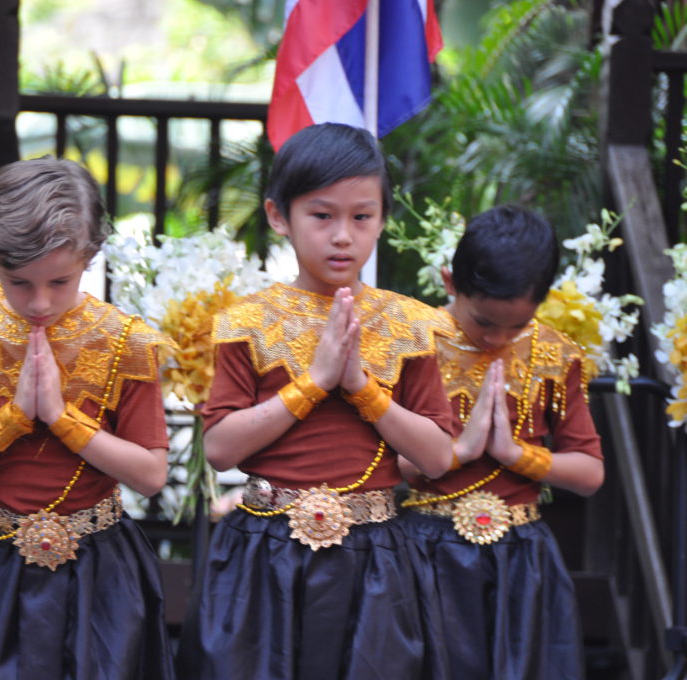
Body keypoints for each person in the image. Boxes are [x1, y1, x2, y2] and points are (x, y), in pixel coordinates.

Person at [176, 122, 456, 679]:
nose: (343, 236)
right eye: (321, 215)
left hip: (374, 555)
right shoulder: (245, 324)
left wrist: (360, 388)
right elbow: (222, 449)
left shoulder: (411, 326)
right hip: (265, 549)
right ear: (279, 216)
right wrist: (313, 382)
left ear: (382, 218)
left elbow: (437, 456)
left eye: (362, 216)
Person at [0, 157, 176, 679]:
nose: (39, 302)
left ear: (90, 255)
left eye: (59, 281)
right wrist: (11, 418)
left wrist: (58, 416)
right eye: (17, 282)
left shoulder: (126, 344)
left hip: (100, 570)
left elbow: (149, 474)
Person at [399, 205, 604, 678]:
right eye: (485, 323)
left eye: (517, 325)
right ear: (450, 282)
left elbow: (591, 473)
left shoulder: (556, 355)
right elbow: (374, 462)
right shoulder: (410, 343)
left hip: (522, 554)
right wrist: (457, 453)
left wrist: (516, 454)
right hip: (427, 548)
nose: (500, 339)